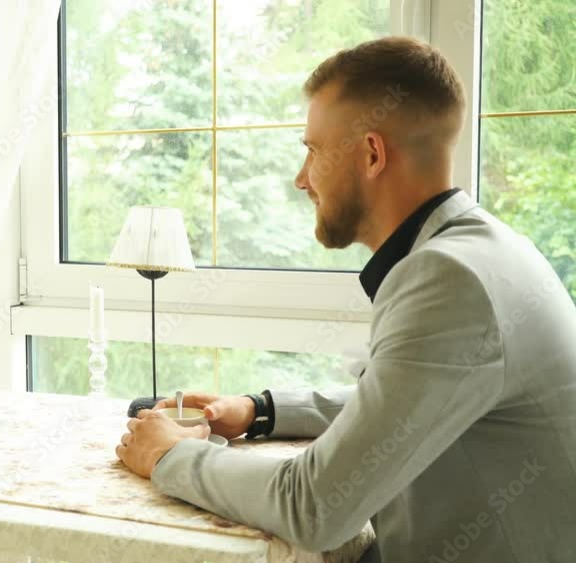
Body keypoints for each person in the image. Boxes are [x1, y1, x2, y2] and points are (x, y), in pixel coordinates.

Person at [116, 37, 576, 562]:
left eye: (312, 151)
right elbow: (404, 402)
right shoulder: (486, 250)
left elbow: (315, 506)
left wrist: (170, 455)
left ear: (372, 154)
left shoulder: (449, 280)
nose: (301, 179)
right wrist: (258, 411)